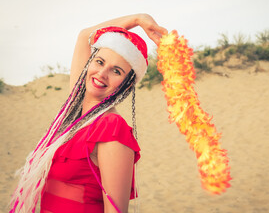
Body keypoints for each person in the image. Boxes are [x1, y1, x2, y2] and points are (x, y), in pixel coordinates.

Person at [9, 14, 168, 213]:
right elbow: (85, 37)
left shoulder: (111, 127)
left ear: (127, 86)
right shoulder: (75, 110)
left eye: (116, 71)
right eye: (100, 62)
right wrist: (137, 20)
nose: (101, 74)